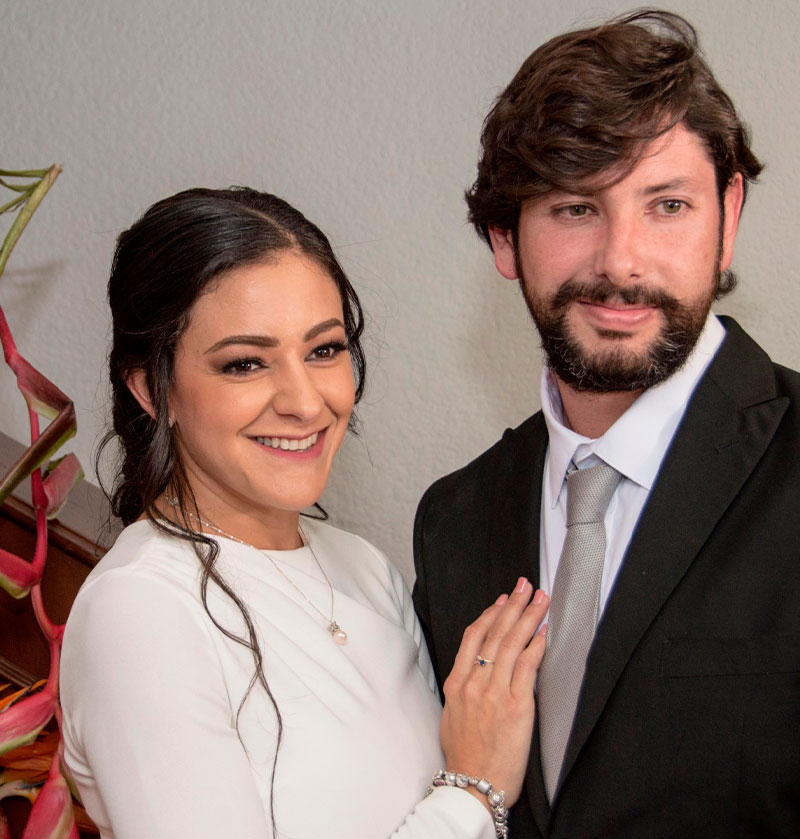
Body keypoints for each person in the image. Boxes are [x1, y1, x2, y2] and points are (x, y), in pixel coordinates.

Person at [413, 9, 800, 839]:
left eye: (668, 205)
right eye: (575, 209)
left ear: (728, 216)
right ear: (503, 236)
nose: (621, 261)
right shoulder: (453, 521)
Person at [59, 187, 549, 839]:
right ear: (152, 387)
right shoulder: (139, 609)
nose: (305, 402)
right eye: (245, 363)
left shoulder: (364, 567)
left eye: (323, 350)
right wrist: (472, 790)